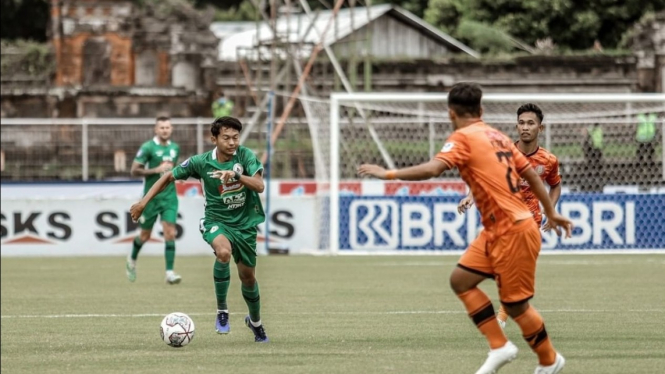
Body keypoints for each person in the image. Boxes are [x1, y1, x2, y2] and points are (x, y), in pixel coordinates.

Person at [358, 83, 572, 374]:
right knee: (461, 280)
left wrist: (389, 173)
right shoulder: (498, 136)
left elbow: (434, 169)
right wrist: (551, 211)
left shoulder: (462, 137)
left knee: (517, 306)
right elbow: (531, 177)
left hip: (515, 230)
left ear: (450, 114)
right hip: (495, 230)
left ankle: (549, 360)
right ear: (481, 110)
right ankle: (500, 346)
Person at [129, 117, 269, 343]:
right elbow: (168, 176)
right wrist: (143, 202)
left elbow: (260, 185)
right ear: (213, 139)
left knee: (248, 278)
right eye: (226, 138)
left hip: (244, 226)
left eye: (235, 137)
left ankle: (255, 323)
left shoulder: (245, 156)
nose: (232, 142)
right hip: (216, 220)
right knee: (223, 253)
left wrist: (236, 176)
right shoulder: (201, 162)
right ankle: (222, 311)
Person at [457, 103, 562, 330]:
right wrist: (469, 197)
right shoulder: (502, 154)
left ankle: (501, 318)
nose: (525, 127)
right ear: (516, 126)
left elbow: (555, 186)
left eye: (530, 123)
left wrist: (550, 212)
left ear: (540, 129)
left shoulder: (548, 160)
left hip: (530, 222)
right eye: (521, 123)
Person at [126, 116, 182, 285]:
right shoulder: (148, 147)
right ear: (156, 130)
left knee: (170, 232)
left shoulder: (175, 148)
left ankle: (169, 273)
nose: (165, 130)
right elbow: (134, 170)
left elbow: (173, 172)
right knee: (144, 236)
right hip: (151, 198)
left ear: (171, 129)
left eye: (168, 127)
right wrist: (155, 170)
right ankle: (132, 260)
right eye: (162, 127)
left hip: (170, 197)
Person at [636, 112, 657, 187]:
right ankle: (640, 168)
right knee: (640, 155)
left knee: (650, 155)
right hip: (641, 139)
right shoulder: (640, 117)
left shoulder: (653, 117)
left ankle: (651, 169)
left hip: (650, 139)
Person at [583, 122, 604, 192]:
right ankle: (591, 181)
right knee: (591, 165)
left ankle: (596, 182)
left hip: (597, 149)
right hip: (592, 149)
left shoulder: (597, 129)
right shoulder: (592, 128)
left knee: (596, 166)